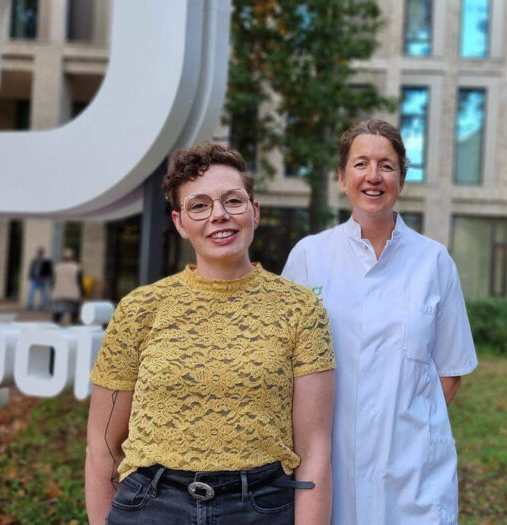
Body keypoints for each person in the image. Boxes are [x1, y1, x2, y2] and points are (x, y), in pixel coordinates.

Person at [85, 143, 336, 525]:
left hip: (261, 508)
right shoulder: (140, 310)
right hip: (152, 507)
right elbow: (102, 448)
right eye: (199, 206)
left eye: (232, 201)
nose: (219, 215)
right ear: (180, 223)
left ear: (254, 212)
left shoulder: (299, 309)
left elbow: (315, 450)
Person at [282, 119, 478, 524]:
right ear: (341, 177)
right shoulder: (308, 257)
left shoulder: (433, 261)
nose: (373, 176)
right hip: (328, 467)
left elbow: (451, 370)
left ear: (401, 180)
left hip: (412, 477)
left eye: (386, 166)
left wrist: (406, 431)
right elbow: (282, 365)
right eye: (360, 164)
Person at [50, 248, 83, 325]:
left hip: (58, 294)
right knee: (74, 315)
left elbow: (53, 281)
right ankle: (74, 330)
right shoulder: (76, 268)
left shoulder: (57, 267)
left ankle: (53, 331)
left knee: (56, 316)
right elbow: (79, 282)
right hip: (72, 295)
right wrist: (81, 294)